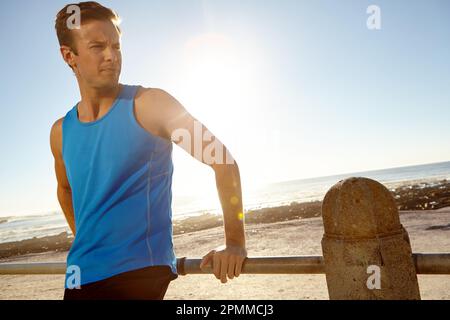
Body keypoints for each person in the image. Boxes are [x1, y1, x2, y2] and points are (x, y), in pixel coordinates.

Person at [49, 1, 247, 300]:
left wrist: (234, 242)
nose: (111, 56)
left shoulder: (151, 105)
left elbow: (222, 161)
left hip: (140, 273)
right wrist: (90, 241)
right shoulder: (61, 131)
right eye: (97, 47)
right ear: (69, 56)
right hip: (79, 276)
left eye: (116, 46)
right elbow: (65, 190)